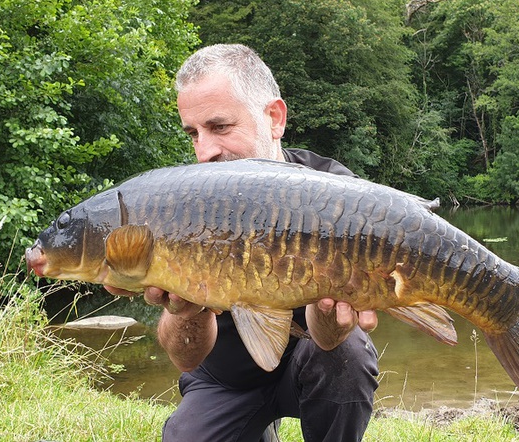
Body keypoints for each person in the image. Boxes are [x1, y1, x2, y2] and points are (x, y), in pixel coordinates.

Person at [104, 44, 380, 442]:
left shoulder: (336, 198)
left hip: (315, 365)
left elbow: (331, 337)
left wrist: (330, 310)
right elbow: (185, 357)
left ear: (274, 118)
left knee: (348, 354)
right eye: (193, 134)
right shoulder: (174, 206)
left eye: (219, 127)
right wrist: (185, 306)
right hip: (226, 378)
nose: (204, 152)